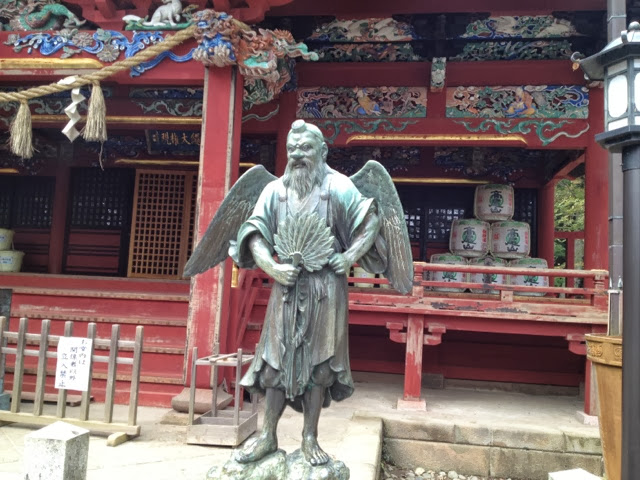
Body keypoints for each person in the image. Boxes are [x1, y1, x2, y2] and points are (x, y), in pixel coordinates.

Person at [229, 119, 385, 466]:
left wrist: (349, 257)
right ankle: (267, 435)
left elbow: (371, 220)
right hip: (285, 286)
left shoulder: (338, 187)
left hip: (325, 288)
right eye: (292, 149)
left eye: (305, 148)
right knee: (273, 362)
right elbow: (254, 235)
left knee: (320, 365)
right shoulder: (275, 191)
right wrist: (272, 268)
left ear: (323, 151)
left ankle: (310, 437)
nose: (297, 155)